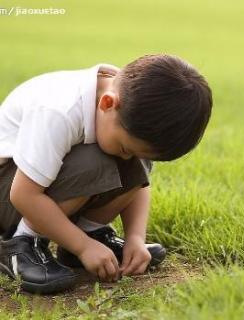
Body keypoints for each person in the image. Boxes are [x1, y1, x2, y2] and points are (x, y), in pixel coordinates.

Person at [0, 54, 213, 294]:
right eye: (125, 147)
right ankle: (21, 243)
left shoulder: (128, 98)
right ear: (107, 104)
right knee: (95, 162)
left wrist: (135, 238)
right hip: (9, 191)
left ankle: (90, 234)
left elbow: (140, 183)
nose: (126, 157)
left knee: (133, 161)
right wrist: (83, 247)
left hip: (34, 189)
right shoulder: (58, 111)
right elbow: (24, 195)